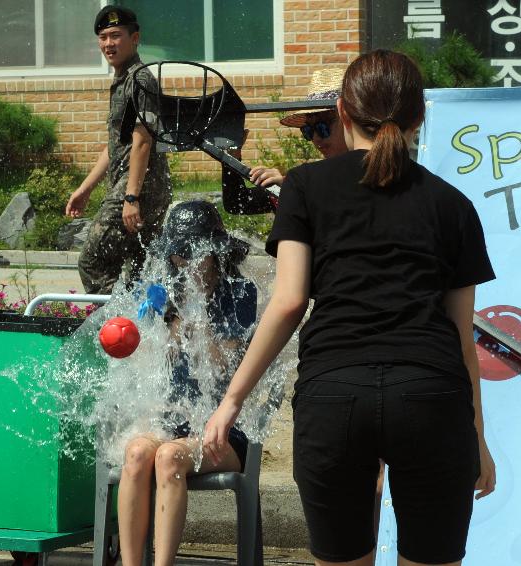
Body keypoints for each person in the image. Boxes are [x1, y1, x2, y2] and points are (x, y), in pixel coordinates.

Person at [205, 50, 496, 566]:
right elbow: (459, 335)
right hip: (430, 396)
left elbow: (290, 301)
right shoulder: (454, 205)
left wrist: (231, 401)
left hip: (334, 394)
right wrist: (477, 438)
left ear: (341, 111)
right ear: (419, 118)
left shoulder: (304, 186)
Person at [116, 200, 257, 566]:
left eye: (193, 251)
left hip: (224, 431)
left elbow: (223, 365)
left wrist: (189, 322)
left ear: (215, 252)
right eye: (178, 252)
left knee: (169, 456)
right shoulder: (162, 291)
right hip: (173, 421)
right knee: (136, 453)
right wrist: (145, 330)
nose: (185, 261)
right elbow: (142, 367)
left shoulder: (240, 294)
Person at [66, 5, 172, 294]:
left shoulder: (140, 80)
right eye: (103, 37)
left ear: (134, 38)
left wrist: (131, 197)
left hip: (140, 187)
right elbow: (117, 145)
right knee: (139, 268)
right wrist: (85, 189)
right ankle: (143, 331)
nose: (108, 44)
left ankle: (116, 328)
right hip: (137, 186)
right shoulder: (124, 80)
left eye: (115, 36)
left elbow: (143, 142)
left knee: (93, 261)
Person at [221, 68, 348, 215]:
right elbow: (238, 203)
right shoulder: (306, 180)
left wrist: (292, 188)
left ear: (349, 121)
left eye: (323, 127)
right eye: (308, 131)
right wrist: (232, 155)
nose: (315, 138)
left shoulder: (373, 172)